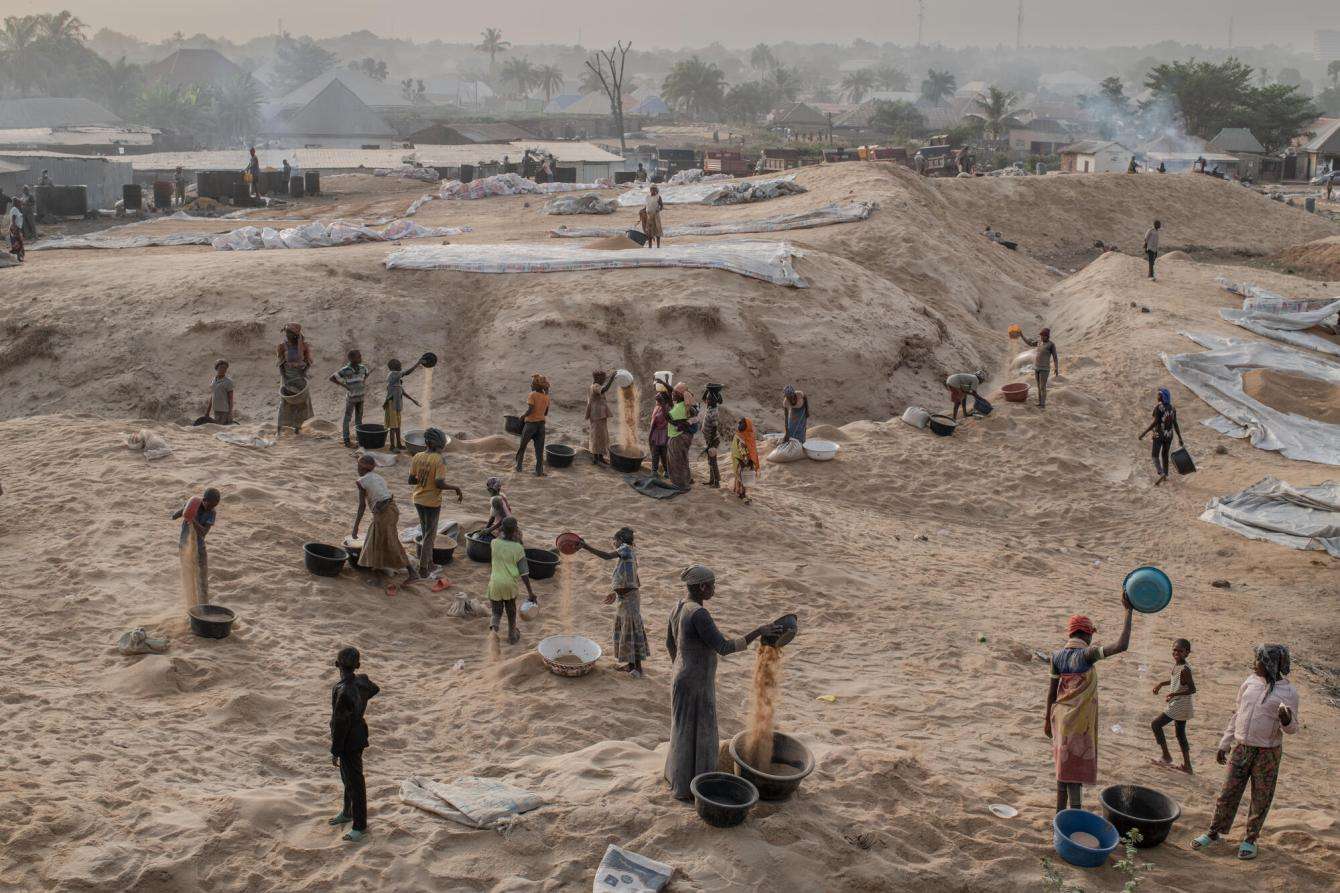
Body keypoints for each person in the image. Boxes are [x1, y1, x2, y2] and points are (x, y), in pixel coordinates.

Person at [664, 565, 780, 799]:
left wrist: (680, 666)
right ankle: (696, 787)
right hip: (696, 683)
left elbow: (670, 643)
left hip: (682, 677)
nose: (714, 589)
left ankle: (678, 780)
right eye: (713, 585)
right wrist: (758, 631)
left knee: (683, 730)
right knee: (702, 733)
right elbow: (724, 647)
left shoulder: (678, 607)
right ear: (702, 587)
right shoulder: (699, 614)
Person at [1193, 645, 1300, 860]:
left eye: (1258, 660)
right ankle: (1214, 833)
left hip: (1267, 753)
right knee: (1227, 793)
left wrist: (1286, 719)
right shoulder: (1249, 682)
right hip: (1241, 748)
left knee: (1261, 797)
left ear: (1270, 664)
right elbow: (1238, 714)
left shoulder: (1288, 692)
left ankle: (1250, 839)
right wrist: (1225, 743)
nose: (1254, 664)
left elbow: (1292, 729)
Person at [1043, 594, 1135, 812]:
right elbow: (1122, 645)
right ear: (1085, 634)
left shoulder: (1056, 656)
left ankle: (1060, 815)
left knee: (1062, 772)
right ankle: (1074, 814)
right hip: (1078, 724)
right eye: (1091, 634)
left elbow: (1051, 693)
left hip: (1060, 720)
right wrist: (1128, 612)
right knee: (1073, 775)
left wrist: (1046, 721)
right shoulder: (1087, 654)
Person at [579, 527, 649, 677]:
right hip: (625, 597)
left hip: (630, 599)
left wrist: (586, 546)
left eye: (614, 540)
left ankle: (638, 668)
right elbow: (627, 576)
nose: (613, 543)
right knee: (626, 631)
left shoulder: (626, 549)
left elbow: (605, 556)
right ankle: (630, 666)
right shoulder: (628, 554)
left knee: (631, 631)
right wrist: (615, 592)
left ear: (621, 540)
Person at [329, 646, 379, 843]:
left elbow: (340, 725)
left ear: (337, 665)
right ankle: (347, 812)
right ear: (357, 665)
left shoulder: (342, 690)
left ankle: (359, 825)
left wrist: (335, 750)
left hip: (348, 741)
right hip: (359, 734)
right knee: (348, 778)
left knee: (355, 782)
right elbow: (375, 688)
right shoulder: (362, 681)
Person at [351, 455, 417, 594]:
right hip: (392, 509)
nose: (357, 468)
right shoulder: (378, 477)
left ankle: (405, 573)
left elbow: (362, 506)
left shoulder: (361, 481)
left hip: (384, 513)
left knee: (384, 543)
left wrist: (356, 526)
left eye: (358, 466)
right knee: (377, 540)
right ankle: (379, 574)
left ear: (362, 468)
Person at [409, 427, 462, 579]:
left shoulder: (417, 456)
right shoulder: (439, 459)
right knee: (429, 536)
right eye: (440, 447)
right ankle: (423, 568)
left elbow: (411, 480)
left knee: (426, 531)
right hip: (432, 502)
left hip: (418, 499)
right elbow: (439, 483)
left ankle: (430, 562)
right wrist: (456, 488)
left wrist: (423, 478)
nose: (441, 450)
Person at [1150, 638, 1196, 774]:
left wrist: (1174, 694)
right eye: (1174, 650)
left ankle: (1166, 756)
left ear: (1187, 652)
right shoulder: (1178, 665)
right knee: (1180, 734)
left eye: (1180, 651)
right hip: (1182, 704)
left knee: (1156, 725)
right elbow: (1175, 679)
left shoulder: (1185, 669)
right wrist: (1161, 684)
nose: (1176, 653)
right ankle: (1187, 766)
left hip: (1179, 704)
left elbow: (1193, 689)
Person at [487, 517, 536, 645]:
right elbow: (524, 572)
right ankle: (512, 636)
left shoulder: (494, 543)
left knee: (496, 612)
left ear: (502, 529)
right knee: (511, 611)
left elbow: (500, 537)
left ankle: (493, 633)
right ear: (515, 530)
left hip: (495, 583)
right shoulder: (518, 548)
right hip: (509, 585)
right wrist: (530, 592)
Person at [171, 488, 220, 605]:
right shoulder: (193, 504)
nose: (211, 508)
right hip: (185, 546)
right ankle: (191, 606)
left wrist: (192, 520)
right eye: (210, 505)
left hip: (200, 547)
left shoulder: (212, 513)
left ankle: (204, 605)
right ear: (204, 500)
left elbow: (203, 533)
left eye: (215, 505)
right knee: (188, 576)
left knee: (202, 577)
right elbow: (174, 516)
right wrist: (184, 510)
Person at [1139, 387, 1183, 484]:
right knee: (1165, 454)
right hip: (1169, 434)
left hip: (1159, 433)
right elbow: (1175, 424)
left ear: (1163, 397)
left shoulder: (1158, 408)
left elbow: (1155, 422)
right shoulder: (1172, 408)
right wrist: (1180, 437)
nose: (1157, 396)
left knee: (1154, 455)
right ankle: (1166, 475)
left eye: (1159, 394)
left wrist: (1144, 433)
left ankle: (1161, 472)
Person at [276, 323, 313, 436]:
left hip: (300, 377)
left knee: (301, 403)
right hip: (288, 376)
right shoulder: (282, 346)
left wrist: (304, 371)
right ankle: (279, 428)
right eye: (286, 332)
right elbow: (280, 363)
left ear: (296, 334)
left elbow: (309, 361)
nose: (287, 334)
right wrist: (284, 377)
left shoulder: (304, 346)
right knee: (285, 403)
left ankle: (297, 427)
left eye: (289, 332)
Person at [331, 349, 371, 448]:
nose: (361, 358)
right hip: (351, 399)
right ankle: (346, 439)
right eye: (359, 357)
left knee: (359, 419)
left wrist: (363, 381)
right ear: (352, 359)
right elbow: (332, 378)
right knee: (347, 419)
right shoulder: (345, 370)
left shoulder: (362, 368)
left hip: (360, 398)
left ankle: (358, 439)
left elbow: (366, 373)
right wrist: (345, 386)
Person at [382, 357, 422, 452]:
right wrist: (417, 364)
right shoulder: (392, 375)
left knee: (398, 426)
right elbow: (407, 372)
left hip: (397, 406)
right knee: (393, 426)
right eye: (398, 366)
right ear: (393, 368)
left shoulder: (397, 381)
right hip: (392, 405)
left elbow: (403, 392)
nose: (400, 367)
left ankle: (399, 444)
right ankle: (392, 446)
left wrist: (413, 400)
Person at [515, 374, 550, 477]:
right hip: (541, 425)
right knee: (539, 450)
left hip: (530, 425)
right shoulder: (546, 397)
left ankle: (519, 466)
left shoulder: (532, 395)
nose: (531, 386)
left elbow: (530, 410)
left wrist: (523, 416)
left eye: (532, 384)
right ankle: (539, 471)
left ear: (536, 386)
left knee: (522, 446)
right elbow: (546, 413)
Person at [665, 383, 696, 491]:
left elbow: (668, 416)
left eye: (675, 393)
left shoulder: (678, 409)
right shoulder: (685, 406)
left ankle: (680, 485)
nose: (673, 394)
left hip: (677, 437)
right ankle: (686, 480)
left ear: (681, 396)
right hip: (685, 436)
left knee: (676, 461)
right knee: (683, 459)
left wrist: (664, 403)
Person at [1020, 329, 1059, 409]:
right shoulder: (1039, 342)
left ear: (1047, 336)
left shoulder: (1051, 345)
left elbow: (1055, 357)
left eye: (1043, 336)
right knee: (1038, 386)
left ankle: (1043, 404)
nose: (1041, 337)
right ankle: (1040, 402)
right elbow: (1029, 342)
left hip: (1044, 369)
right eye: (1040, 336)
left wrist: (1056, 367)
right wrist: (1021, 335)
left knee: (1042, 386)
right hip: (1037, 367)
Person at [585, 370, 615, 465]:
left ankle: (600, 457)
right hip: (597, 414)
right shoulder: (595, 386)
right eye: (603, 378)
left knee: (601, 435)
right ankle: (596, 457)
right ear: (597, 378)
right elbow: (604, 389)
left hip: (599, 414)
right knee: (597, 435)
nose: (604, 380)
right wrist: (611, 380)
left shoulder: (595, 385)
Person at [700, 383, 725, 487]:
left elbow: (714, 427)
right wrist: (708, 389)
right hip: (709, 438)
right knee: (710, 460)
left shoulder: (714, 411)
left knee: (713, 461)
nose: (707, 400)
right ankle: (711, 480)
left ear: (714, 401)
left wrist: (710, 442)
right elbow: (703, 398)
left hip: (713, 439)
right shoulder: (710, 407)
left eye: (709, 399)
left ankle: (717, 482)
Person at [731, 417, 759, 503]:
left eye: (742, 423)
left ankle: (739, 492)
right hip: (741, 460)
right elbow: (739, 449)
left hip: (745, 460)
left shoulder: (749, 436)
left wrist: (750, 459)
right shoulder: (739, 436)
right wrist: (745, 460)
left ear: (747, 425)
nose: (739, 425)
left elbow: (752, 449)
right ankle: (742, 495)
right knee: (742, 478)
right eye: (739, 423)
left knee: (743, 478)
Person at [648, 391, 671, 479]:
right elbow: (653, 422)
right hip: (658, 433)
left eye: (659, 398)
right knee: (656, 453)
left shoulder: (666, 408)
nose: (656, 399)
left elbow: (658, 420)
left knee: (662, 453)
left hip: (662, 433)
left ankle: (665, 471)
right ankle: (655, 471)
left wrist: (650, 435)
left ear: (663, 400)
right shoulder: (658, 407)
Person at [207, 360, 234, 424]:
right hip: (215, 409)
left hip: (224, 410)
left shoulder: (228, 382)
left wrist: (230, 413)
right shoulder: (213, 380)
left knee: (221, 428)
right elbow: (212, 396)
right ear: (217, 368)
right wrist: (207, 411)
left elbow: (231, 398)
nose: (223, 370)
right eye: (221, 367)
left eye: (225, 368)